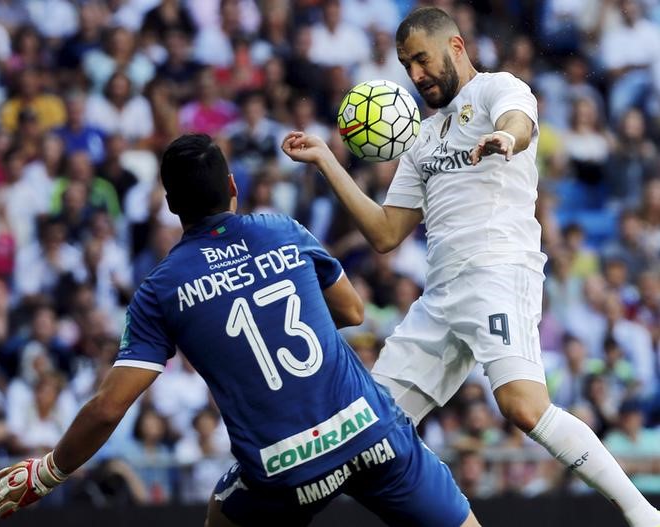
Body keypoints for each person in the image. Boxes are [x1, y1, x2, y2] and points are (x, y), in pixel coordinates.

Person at [281, 7, 660, 527]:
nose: (415, 75)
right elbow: (386, 233)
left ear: (455, 47)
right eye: (406, 65)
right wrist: (328, 160)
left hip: (499, 271)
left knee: (522, 406)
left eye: (421, 59)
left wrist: (507, 138)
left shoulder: (497, 90)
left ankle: (642, 514)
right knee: (369, 434)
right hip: (439, 295)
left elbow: (518, 122)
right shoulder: (421, 139)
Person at [0, 133, 480, 527]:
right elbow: (352, 312)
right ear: (232, 185)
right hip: (368, 429)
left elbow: (109, 407)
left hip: (285, 468)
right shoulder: (282, 229)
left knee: (222, 512)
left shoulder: (162, 289)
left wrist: (47, 472)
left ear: (171, 204)